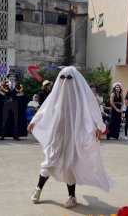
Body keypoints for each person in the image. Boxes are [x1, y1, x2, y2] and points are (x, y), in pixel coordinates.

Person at [27, 66, 113, 208]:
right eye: (62, 77)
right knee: (49, 160)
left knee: (69, 163)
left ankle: (72, 196)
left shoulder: (81, 96)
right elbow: (45, 108)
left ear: (76, 79)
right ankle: (38, 189)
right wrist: (34, 121)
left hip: (73, 134)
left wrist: (99, 126)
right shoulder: (57, 95)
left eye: (69, 77)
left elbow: (92, 109)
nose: (65, 80)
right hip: (56, 133)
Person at [0, 69, 28, 140]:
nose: (12, 78)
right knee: (4, 119)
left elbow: (23, 96)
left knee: (15, 120)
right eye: (10, 76)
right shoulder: (3, 85)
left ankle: (15, 135)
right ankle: (2, 135)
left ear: (15, 78)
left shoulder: (19, 86)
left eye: (13, 76)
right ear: (8, 77)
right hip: (6, 104)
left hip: (15, 105)